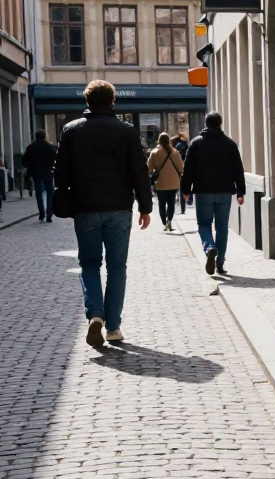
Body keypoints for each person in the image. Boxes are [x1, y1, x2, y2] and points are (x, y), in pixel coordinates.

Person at [52, 80, 152, 349]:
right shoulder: (126, 131)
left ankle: (95, 313)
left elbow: (59, 172)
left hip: (85, 208)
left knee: (89, 264)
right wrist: (145, 206)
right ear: (112, 102)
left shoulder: (71, 131)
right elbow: (138, 171)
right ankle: (113, 327)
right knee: (117, 267)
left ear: (87, 102)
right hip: (119, 208)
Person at [180, 112, 245, 276]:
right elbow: (238, 168)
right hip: (224, 191)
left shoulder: (195, 144)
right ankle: (220, 262)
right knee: (222, 227)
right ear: (220, 124)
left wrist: (185, 190)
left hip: (203, 192)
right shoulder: (229, 144)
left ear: (206, 124)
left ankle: (209, 247)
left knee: (204, 225)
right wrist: (241, 191)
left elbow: (188, 169)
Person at [148, 132, 185, 231]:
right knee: (171, 203)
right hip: (173, 182)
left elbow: (150, 169)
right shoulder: (175, 152)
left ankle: (164, 222)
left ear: (159, 140)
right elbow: (181, 168)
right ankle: (169, 220)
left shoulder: (155, 152)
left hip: (160, 183)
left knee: (162, 203)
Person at [21, 129, 58, 222]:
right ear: (44, 136)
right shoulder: (50, 147)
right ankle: (49, 212)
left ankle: (41, 213)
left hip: (36, 172)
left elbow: (24, 160)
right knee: (50, 192)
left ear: (36, 136)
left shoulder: (30, 147)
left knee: (39, 193)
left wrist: (29, 166)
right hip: (47, 172)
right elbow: (55, 158)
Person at [171, 134, 189, 213]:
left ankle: (175, 206)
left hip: (177, 170)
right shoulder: (185, 145)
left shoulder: (176, 147)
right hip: (184, 169)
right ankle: (183, 208)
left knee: (175, 188)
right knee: (182, 188)